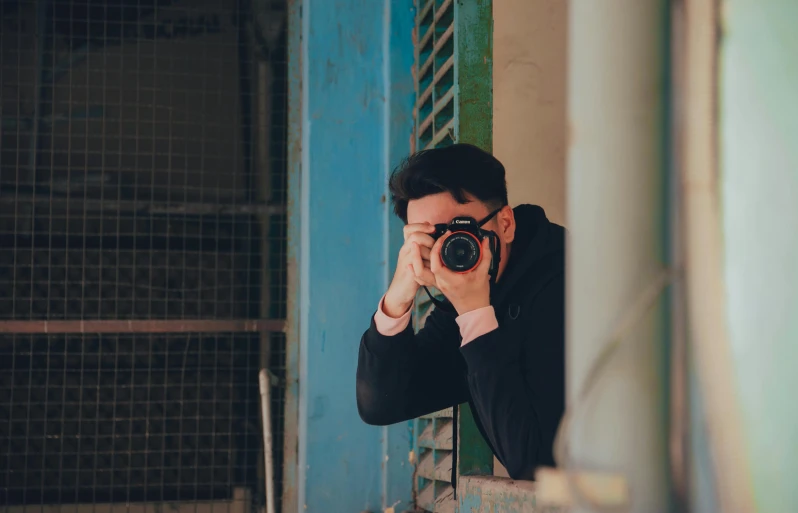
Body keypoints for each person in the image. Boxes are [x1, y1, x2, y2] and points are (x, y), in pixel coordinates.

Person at [356, 143, 565, 481]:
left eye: (459, 229)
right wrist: (398, 295)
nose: (449, 249)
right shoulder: (471, 293)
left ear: (506, 223)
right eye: (432, 237)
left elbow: (535, 467)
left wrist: (474, 311)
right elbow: (382, 404)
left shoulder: (566, 283)